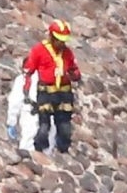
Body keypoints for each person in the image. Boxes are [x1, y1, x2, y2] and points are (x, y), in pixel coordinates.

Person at [23, 20, 81, 154]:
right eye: (59, 40)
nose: (61, 44)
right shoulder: (39, 50)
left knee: (65, 129)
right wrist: (27, 92)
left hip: (64, 95)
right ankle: (38, 152)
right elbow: (28, 72)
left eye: (63, 41)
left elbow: (76, 72)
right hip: (46, 94)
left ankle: (62, 153)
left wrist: (74, 74)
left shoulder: (68, 53)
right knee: (44, 128)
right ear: (52, 37)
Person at [6, 62, 54, 153]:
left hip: (30, 113)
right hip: (49, 115)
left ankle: (26, 163)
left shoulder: (23, 79)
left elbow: (14, 102)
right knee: (47, 148)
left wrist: (11, 122)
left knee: (27, 144)